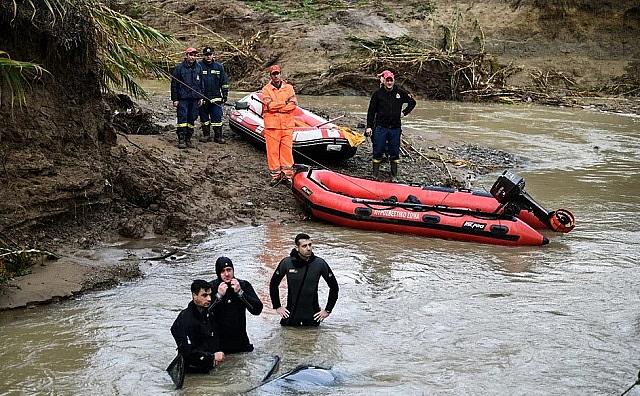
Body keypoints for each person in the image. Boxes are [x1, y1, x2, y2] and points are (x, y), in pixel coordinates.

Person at [269, 233, 339, 327]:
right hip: (291, 316)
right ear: (297, 248)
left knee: (314, 339)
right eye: (304, 246)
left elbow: (334, 287)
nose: (308, 248)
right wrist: (277, 306)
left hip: (312, 316)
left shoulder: (319, 264)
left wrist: (328, 310)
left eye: (310, 245)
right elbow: (273, 284)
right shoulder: (287, 263)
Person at [365, 70, 416, 181]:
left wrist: (404, 113)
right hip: (380, 127)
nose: (389, 83)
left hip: (395, 128)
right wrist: (369, 126)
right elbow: (371, 112)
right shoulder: (377, 94)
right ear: (383, 81)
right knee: (378, 150)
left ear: (393, 81)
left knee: (394, 152)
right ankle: (375, 175)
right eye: (387, 80)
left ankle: (394, 176)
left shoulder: (400, 92)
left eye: (391, 80)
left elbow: (413, 102)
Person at [208, 256, 263, 353]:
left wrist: (240, 293)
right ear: (218, 273)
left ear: (233, 270)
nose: (227, 274)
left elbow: (257, 310)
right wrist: (218, 296)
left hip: (241, 343)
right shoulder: (211, 287)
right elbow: (203, 315)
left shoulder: (243, 285)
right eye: (222, 271)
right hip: (219, 345)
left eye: (229, 270)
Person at [170, 279, 225, 373]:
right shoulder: (184, 319)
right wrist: (212, 357)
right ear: (194, 296)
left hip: (209, 367)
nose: (209, 299)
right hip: (191, 372)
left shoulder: (208, 314)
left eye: (210, 295)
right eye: (204, 295)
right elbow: (187, 353)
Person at [261, 64, 298, 186]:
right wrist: (284, 103)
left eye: (277, 73)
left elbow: (293, 104)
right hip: (272, 126)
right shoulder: (266, 89)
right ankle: (275, 176)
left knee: (287, 151)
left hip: (287, 126)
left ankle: (287, 175)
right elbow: (269, 106)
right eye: (273, 74)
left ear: (281, 74)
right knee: (272, 152)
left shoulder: (289, 88)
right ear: (270, 76)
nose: (276, 76)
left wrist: (278, 107)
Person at [171, 47, 204, 149]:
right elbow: (174, 85)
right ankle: (181, 139)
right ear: (186, 55)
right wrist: (175, 99)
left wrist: (201, 97)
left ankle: (188, 138)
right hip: (183, 99)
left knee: (192, 118)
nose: (192, 57)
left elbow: (201, 84)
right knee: (182, 118)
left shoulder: (199, 67)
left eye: (194, 55)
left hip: (194, 98)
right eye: (191, 55)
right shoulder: (179, 68)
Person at [198, 47, 229, 144]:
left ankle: (218, 136)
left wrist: (224, 95)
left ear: (213, 55)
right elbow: (195, 82)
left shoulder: (219, 67)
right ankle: (206, 135)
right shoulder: (198, 66)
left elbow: (224, 82)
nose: (208, 56)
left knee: (217, 117)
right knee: (204, 118)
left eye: (210, 54)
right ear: (203, 55)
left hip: (216, 97)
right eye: (206, 55)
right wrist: (198, 97)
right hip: (202, 98)